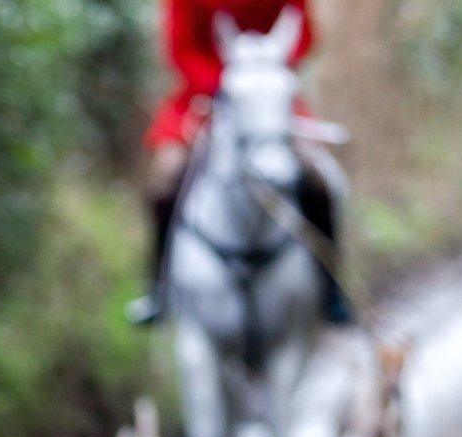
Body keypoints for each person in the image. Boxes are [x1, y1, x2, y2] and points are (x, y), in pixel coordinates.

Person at [127, 0, 349, 328]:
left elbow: (304, 35)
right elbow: (180, 49)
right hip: (204, 100)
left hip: (270, 100)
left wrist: (268, 69)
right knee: (165, 178)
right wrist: (224, 86)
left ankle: (331, 289)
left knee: (320, 178)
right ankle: (159, 292)